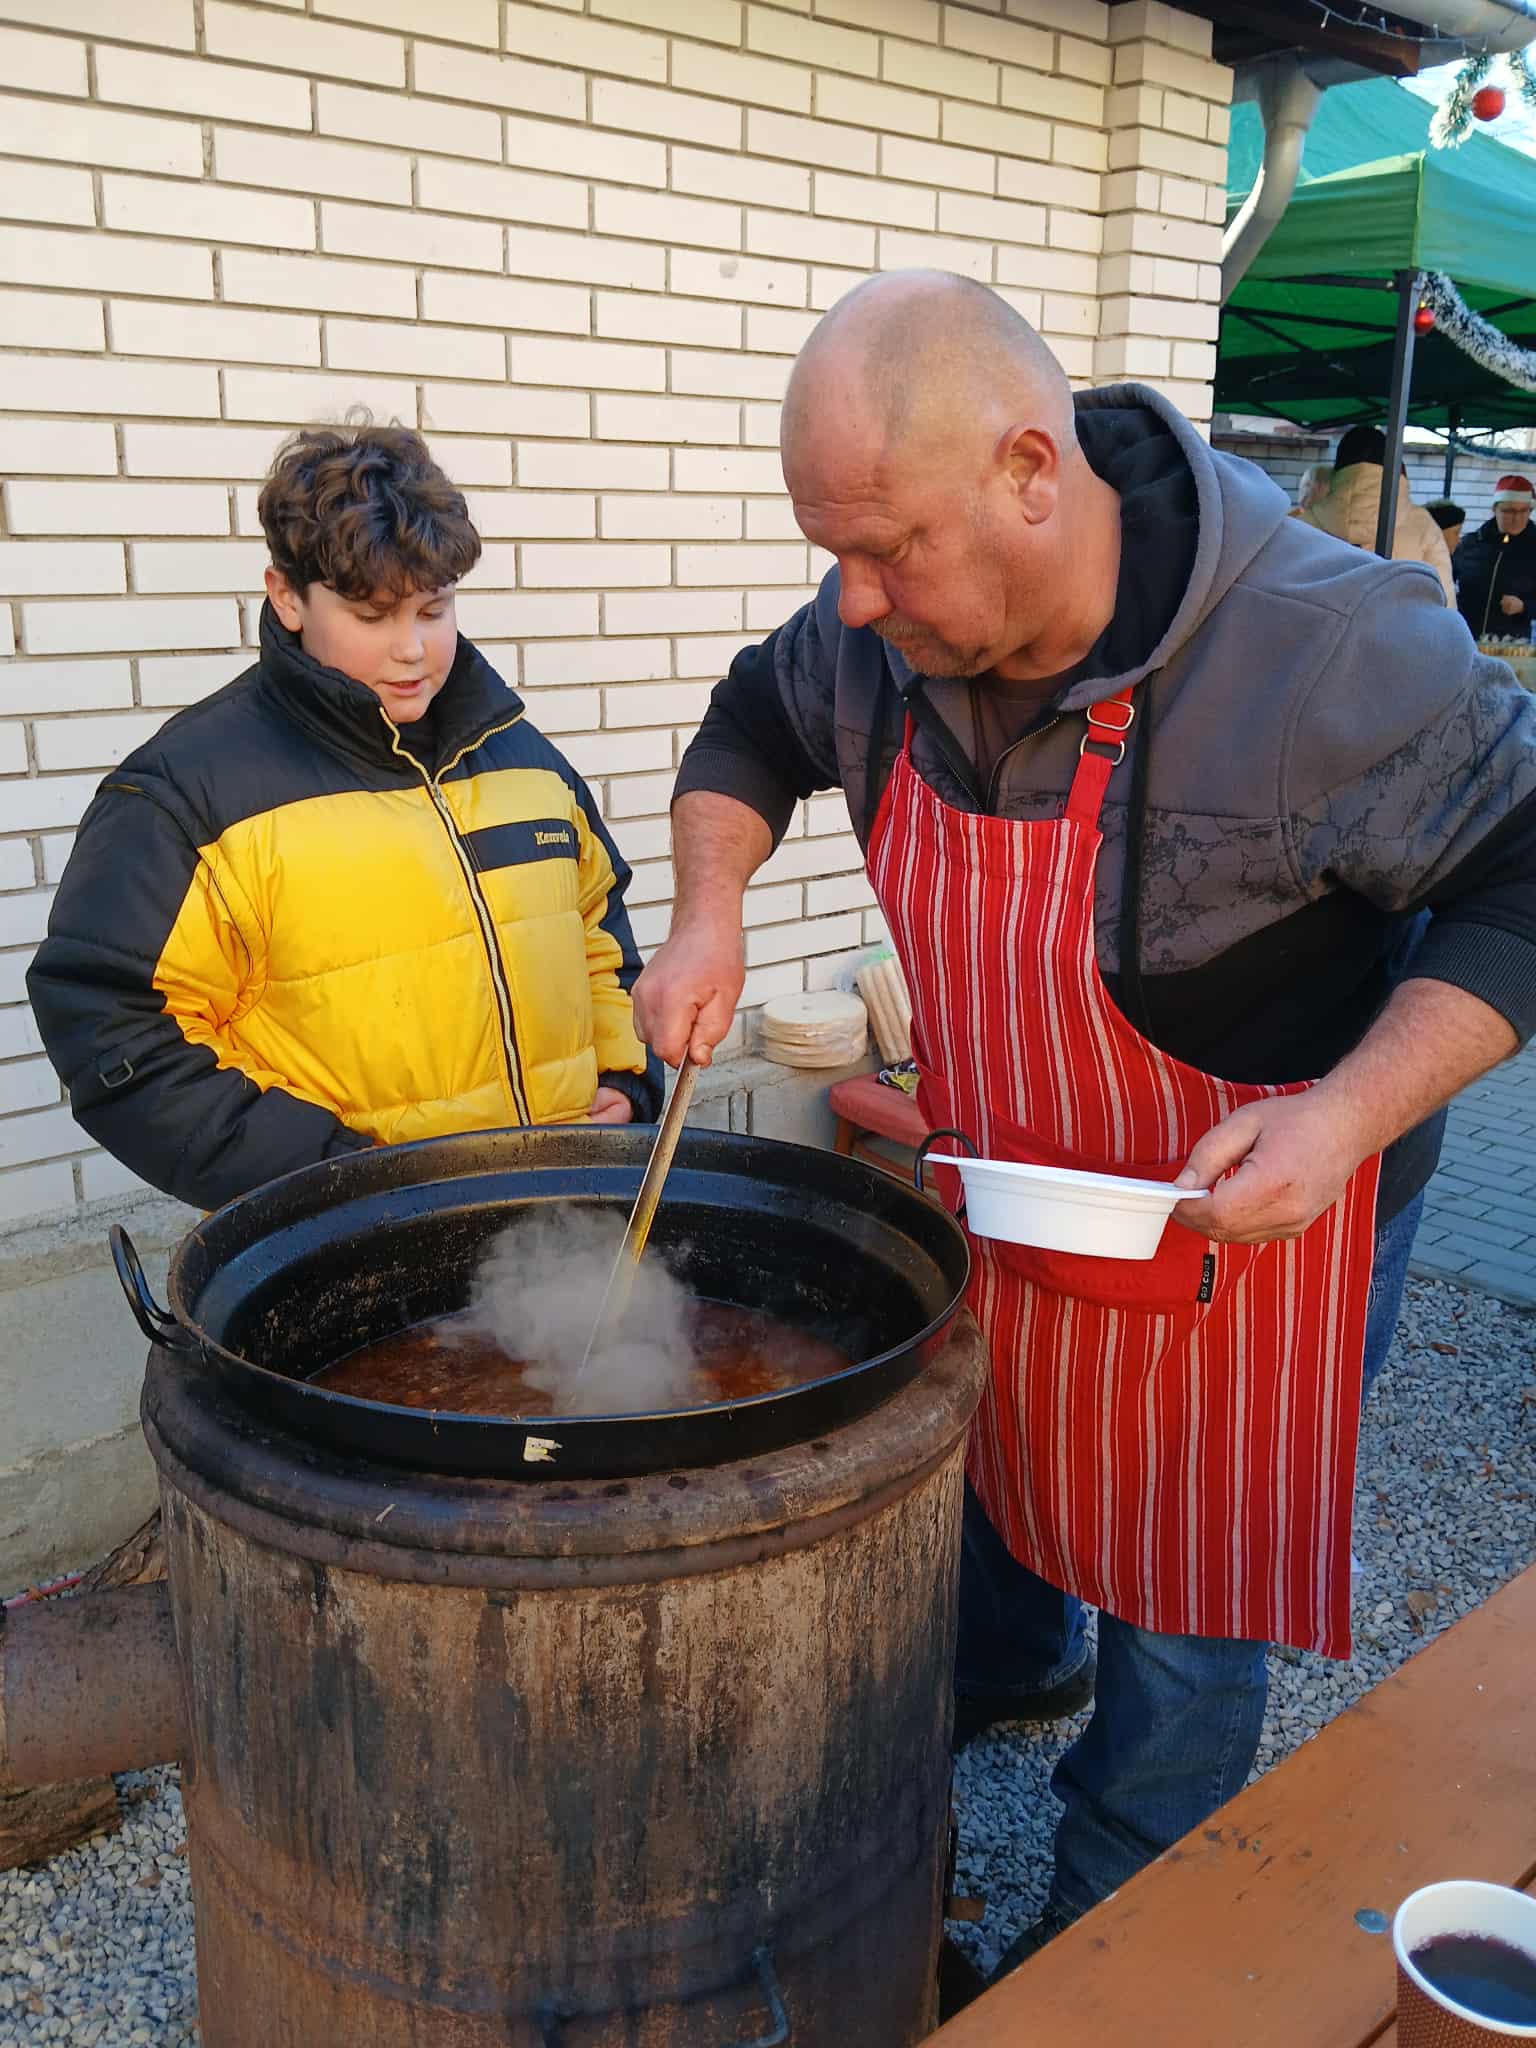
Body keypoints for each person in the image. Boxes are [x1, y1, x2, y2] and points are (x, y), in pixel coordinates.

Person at [633, 272, 1536, 1971]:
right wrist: (708, 911)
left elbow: (1522, 872)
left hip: (1260, 1209)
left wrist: (1348, 1117)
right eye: (833, 553)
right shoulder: (869, 637)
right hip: (1016, 1172)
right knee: (1007, 1447)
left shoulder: (1329, 651)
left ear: (1031, 474)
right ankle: (1012, 1662)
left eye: (886, 551)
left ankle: (1105, 1930)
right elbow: (754, 722)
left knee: (1186, 1593)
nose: (849, 597)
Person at [29, 422, 660, 1212]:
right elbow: (112, 1022)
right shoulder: (185, 796)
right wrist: (335, 1177)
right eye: (372, 617)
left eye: (433, 610)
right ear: (287, 597)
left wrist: (625, 1073)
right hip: (354, 1243)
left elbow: (596, 928)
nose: (412, 649)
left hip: (562, 1224)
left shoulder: (523, 758)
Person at [1296, 424, 1454, 602]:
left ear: (1338, 468)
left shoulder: (1300, 526)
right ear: (1396, 466)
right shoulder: (1423, 526)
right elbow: (1444, 602)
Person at [1455, 473, 1536, 641]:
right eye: (1509, 511)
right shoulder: (1471, 544)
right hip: (1466, 640)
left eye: (1524, 510)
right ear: (1494, 509)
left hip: (1511, 646)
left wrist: (1524, 606)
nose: (1517, 518)